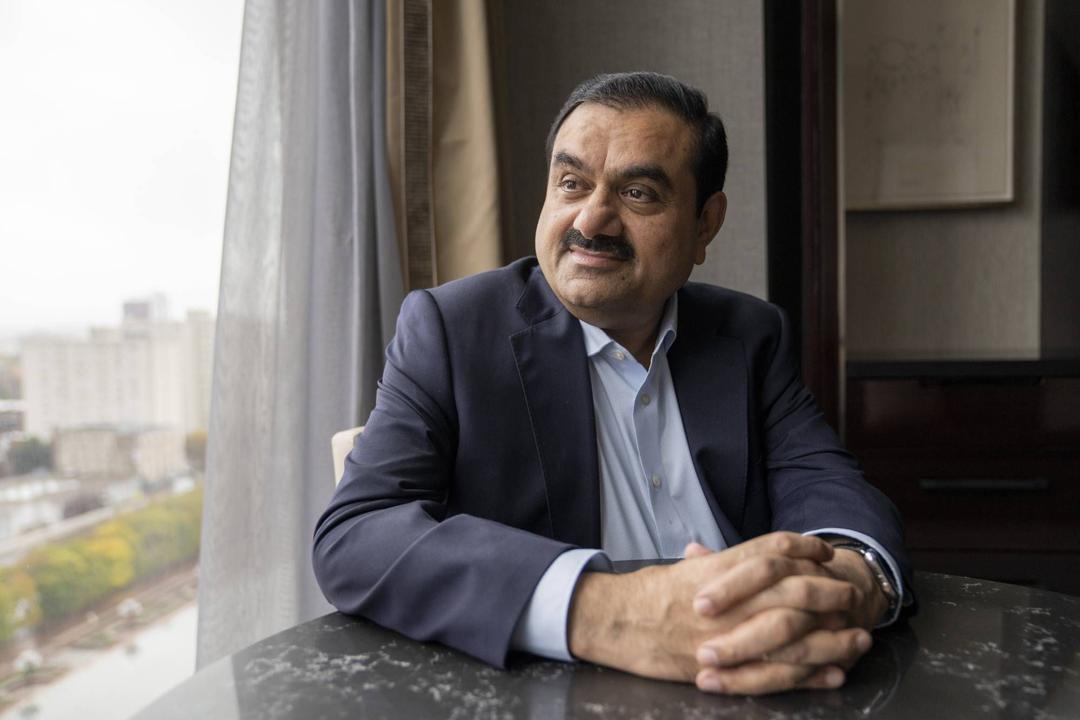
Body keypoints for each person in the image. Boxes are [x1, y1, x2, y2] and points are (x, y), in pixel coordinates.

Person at [313, 71, 913, 695]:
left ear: (705, 224)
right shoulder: (451, 330)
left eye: (638, 193)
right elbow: (356, 534)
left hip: (761, 676)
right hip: (555, 693)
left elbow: (826, 485)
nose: (593, 220)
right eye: (571, 183)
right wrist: (610, 612)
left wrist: (852, 581)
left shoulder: (748, 336)